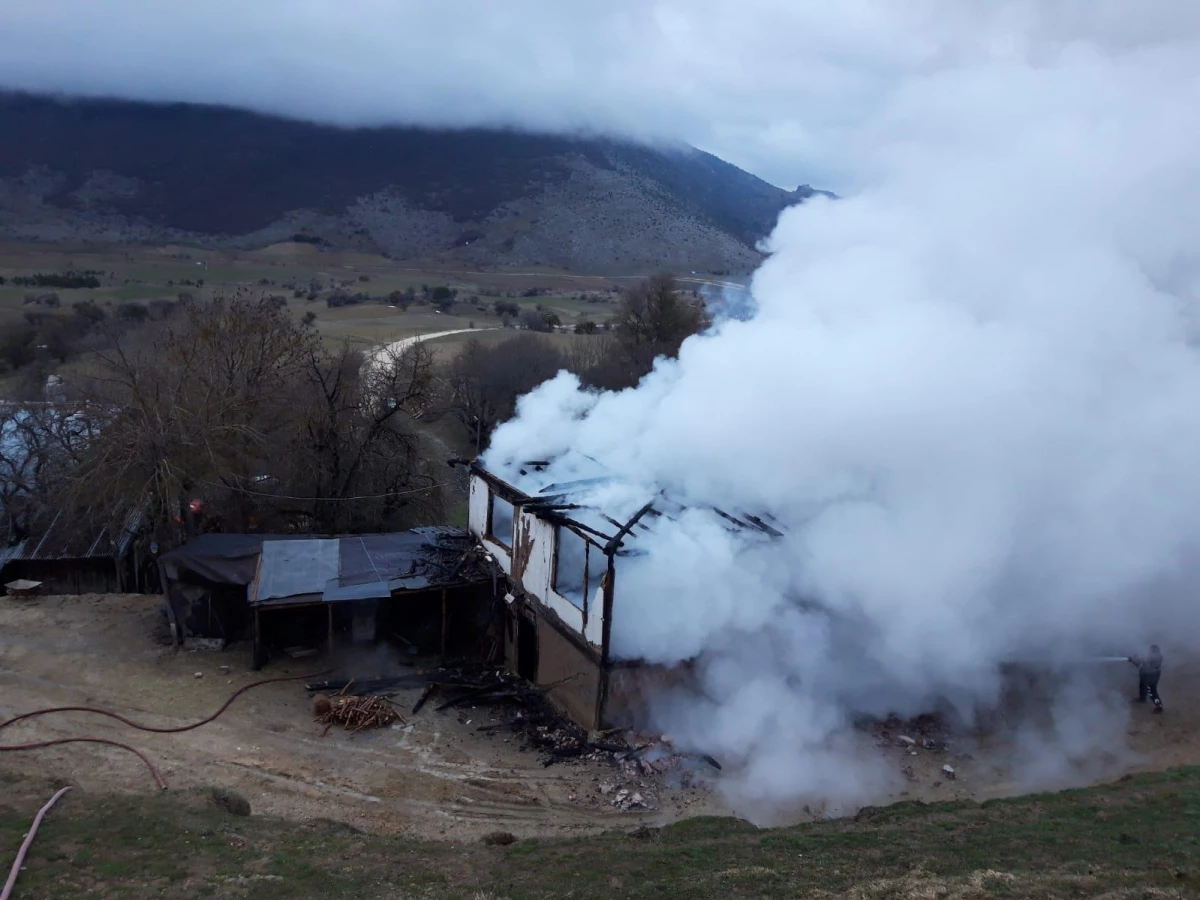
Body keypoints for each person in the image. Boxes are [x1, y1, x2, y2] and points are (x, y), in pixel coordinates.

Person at [1129, 645, 1164, 712]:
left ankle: (1159, 706)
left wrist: (1133, 660)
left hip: (1150, 676)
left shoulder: (1151, 660)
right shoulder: (1158, 657)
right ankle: (1142, 698)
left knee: (1152, 691)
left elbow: (1140, 665)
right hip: (1150, 674)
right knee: (1142, 685)